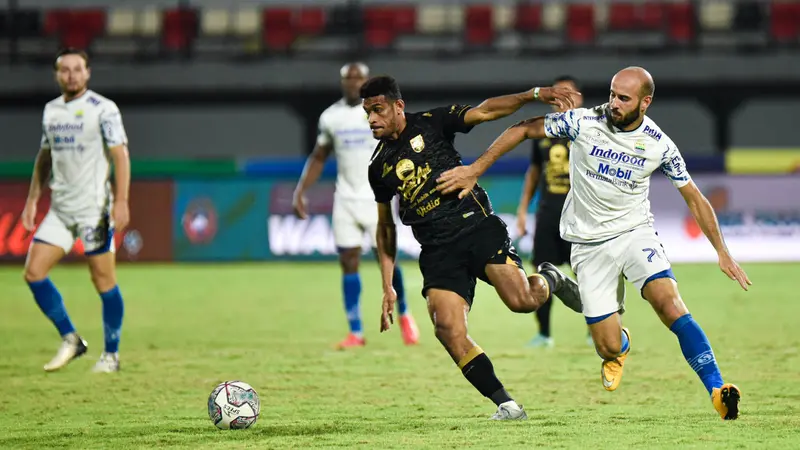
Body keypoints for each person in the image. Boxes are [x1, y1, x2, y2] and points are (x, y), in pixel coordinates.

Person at [437, 67, 750, 420]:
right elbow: (523, 129)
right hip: (588, 245)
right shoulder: (582, 122)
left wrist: (722, 251)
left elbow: (693, 195)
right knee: (608, 347)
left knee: (669, 302)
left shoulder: (659, 144)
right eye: (613, 94)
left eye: (624, 98)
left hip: (635, 233)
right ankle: (622, 343)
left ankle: (717, 389)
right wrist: (475, 169)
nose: (613, 103)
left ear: (645, 103)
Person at [363, 75, 584, 420]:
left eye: (378, 110)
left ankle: (549, 279)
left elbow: (485, 112)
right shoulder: (378, 167)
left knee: (522, 301)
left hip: (475, 227)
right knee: (447, 329)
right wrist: (388, 284)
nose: (372, 119)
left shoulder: (433, 123)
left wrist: (533, 94)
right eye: (368, 113)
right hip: (437, 249)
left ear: (397, 106)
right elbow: (385, 226)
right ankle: (507, 404)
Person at [293, 63, 419, 349]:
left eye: (358, 78)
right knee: (348, 261)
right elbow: (319, 156)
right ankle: (356, 331)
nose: (353, 83)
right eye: (348, 79)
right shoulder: (331, 117)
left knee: (386, 260)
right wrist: (301, 190)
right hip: (345, 200)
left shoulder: (380, 111)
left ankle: (405, 316)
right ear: (342, 83)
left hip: (378, 198)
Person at [22, 48, 130, 373]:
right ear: (57, 75)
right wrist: (31, 199)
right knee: (33, 273)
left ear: (88, 73)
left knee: (103, 280)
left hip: (93, 210)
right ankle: (71, 339)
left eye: (77, 69)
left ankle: (111, 355)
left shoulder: (103, 109)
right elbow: (45, 157)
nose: (71, 75)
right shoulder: (51, 111)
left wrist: (122, 200)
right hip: (61, 209)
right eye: (64, 70)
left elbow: (121, 156)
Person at [515, 75, 591, 348]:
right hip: (548, 215)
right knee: (541, 274)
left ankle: (595, 330)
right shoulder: (543, 130)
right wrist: (523, 211)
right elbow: (534, 172)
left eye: (569, 93)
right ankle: (544, 334)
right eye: (558, 94)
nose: (563, 99)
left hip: (580, 216)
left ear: (579, 98)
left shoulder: (590, 129)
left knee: (587, 274)